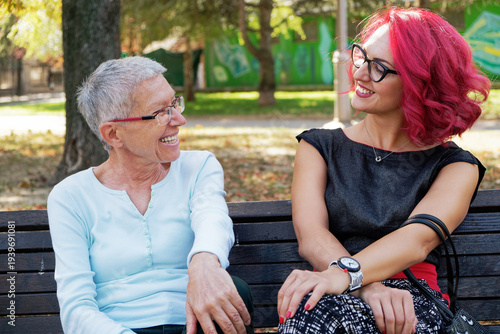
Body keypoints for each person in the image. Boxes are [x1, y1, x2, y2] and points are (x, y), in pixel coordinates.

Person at [277, 6, 490, 334]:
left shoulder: (456, 166)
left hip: (412, 300)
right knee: (312, 312)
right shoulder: (318, 146)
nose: (360, 72)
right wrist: (361, 285)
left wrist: (345, 276)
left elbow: (417, 240)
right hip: (333, 290)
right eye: (361, 55)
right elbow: (311, 236)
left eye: (379, 68)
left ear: (420, 83)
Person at [47, 56, 253, 334]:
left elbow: (212, 220)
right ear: (114, 134)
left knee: (233, 290)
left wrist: (205, 263)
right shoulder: (70, 197)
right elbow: (77, 309)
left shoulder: (198, 167)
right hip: (117, 329)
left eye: (174, 104)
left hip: (196, 323)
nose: (179, 119)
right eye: (160, 113)